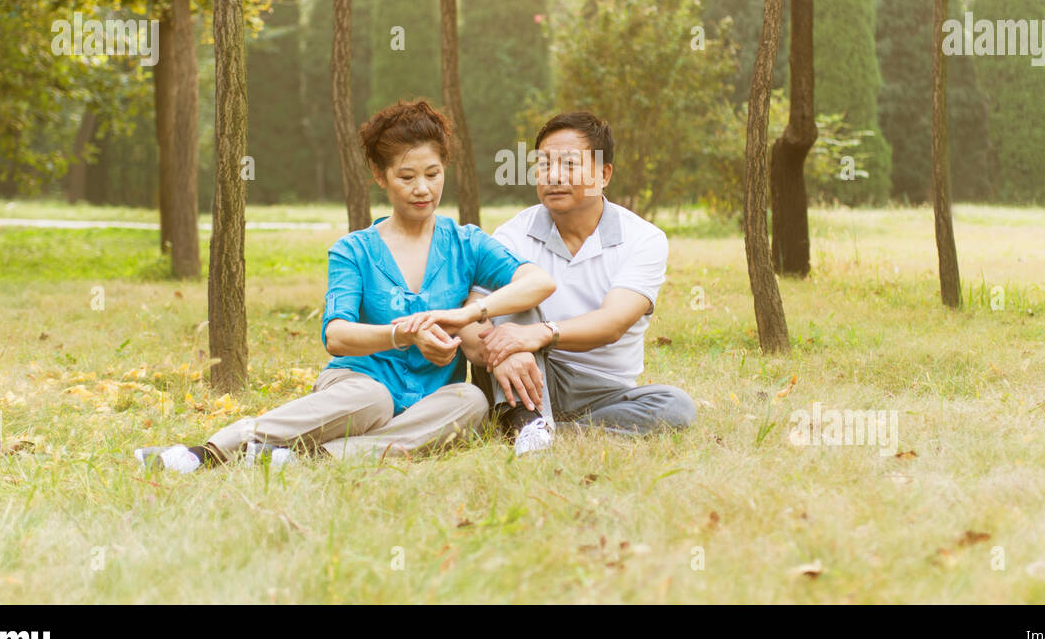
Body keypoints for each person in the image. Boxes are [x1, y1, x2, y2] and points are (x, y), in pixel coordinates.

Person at [135, 99, 556, 472]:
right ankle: (209, 452)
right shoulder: (353, 250)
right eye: (407, 177)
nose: (422, 189)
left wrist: (468, 313)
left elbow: (538, 281)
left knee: (471, 401)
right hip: (357, 388)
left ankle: (311, 458)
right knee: (375, 399)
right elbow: (336, 336)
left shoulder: (466, 243)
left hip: (429, 401)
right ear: (380, 175)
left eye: (433, 173)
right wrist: (401, 333)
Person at [457, 110, 696, 455]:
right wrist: (504, 352)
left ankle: (543, 430)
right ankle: (528, 425)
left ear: (603, 175)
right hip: (524, 369)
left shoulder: (643, 239)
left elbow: (612, 323)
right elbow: (472, 315)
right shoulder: (512, 235)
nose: (553, 176)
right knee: (519, 306)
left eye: (569, 165)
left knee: (676, 406)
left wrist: (541, 334)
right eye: (544, 164)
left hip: (603, 389)